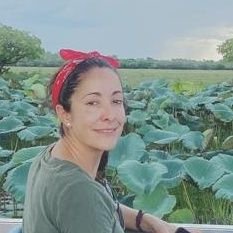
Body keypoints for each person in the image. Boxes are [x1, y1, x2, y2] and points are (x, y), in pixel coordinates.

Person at [22, 49, 198, 233]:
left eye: (116, 101)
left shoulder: (51, 156)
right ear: (64, 113)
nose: (110, 115)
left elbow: (100, 208)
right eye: (93, 103)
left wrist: (147, 221)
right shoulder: (79, 192)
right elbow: (86, 204)